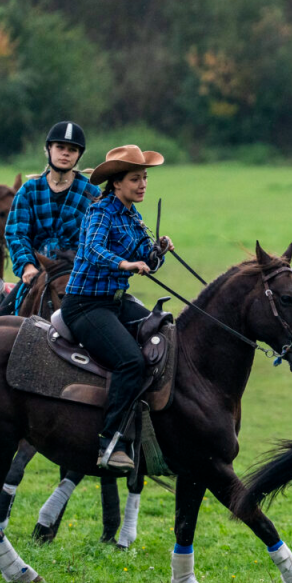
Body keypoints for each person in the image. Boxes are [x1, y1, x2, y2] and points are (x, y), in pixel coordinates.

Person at [61, 145, 173, 473]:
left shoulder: (133, 216)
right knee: (130, 361)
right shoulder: (101, 211)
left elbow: (147, 261)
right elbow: (92, 250)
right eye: (135, 179)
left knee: (167, 333)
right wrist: (125, 264)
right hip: (84, 304)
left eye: (145, 178)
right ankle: (110, 442)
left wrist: (158, 251)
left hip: (115, 301)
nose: (143, 185)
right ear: (117, 183)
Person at [0, 122, 98, 318]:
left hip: (76, 276)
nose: (65, 153)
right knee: (1, 320)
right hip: (35, 274)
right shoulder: (28, 191)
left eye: (72, 149)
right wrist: (27, 266)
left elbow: (96, 239)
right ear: (49, 149)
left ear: (79, 155)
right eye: (60, 147)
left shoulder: (91, 194)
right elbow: (17, 233)